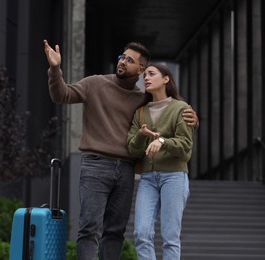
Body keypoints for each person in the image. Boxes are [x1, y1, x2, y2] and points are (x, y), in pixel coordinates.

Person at [43, 39, 198, 260]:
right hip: (95, 165)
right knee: (89, 228)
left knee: (115, 232)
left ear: (141, 69)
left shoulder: (142, 100)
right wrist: (55, 69)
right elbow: (62, 95)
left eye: (129, 60)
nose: (122, 62)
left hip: (126, 170)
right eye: (121, 57)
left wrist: (193, 120)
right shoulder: (95, 83)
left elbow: (166, 111)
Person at [126, 63, 194, 260]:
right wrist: (141, 134)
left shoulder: (181, 109)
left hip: (174, 177)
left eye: (151, 74)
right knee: (141, 233)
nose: (146, 78)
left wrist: (162, 141)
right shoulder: (140, 112)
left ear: (166, 79)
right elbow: (132, 148)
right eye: (145, 75)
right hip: (147, 178)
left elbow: (185, 148)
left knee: (170, 238)